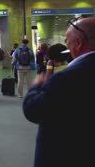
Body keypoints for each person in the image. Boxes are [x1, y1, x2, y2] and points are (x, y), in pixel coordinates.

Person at [23, 17, 95, 167]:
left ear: (79, 43)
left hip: (66, 156)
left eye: (67, 40)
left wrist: (36, 87)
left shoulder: (67, 78)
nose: (66, 45)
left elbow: (34, 110)